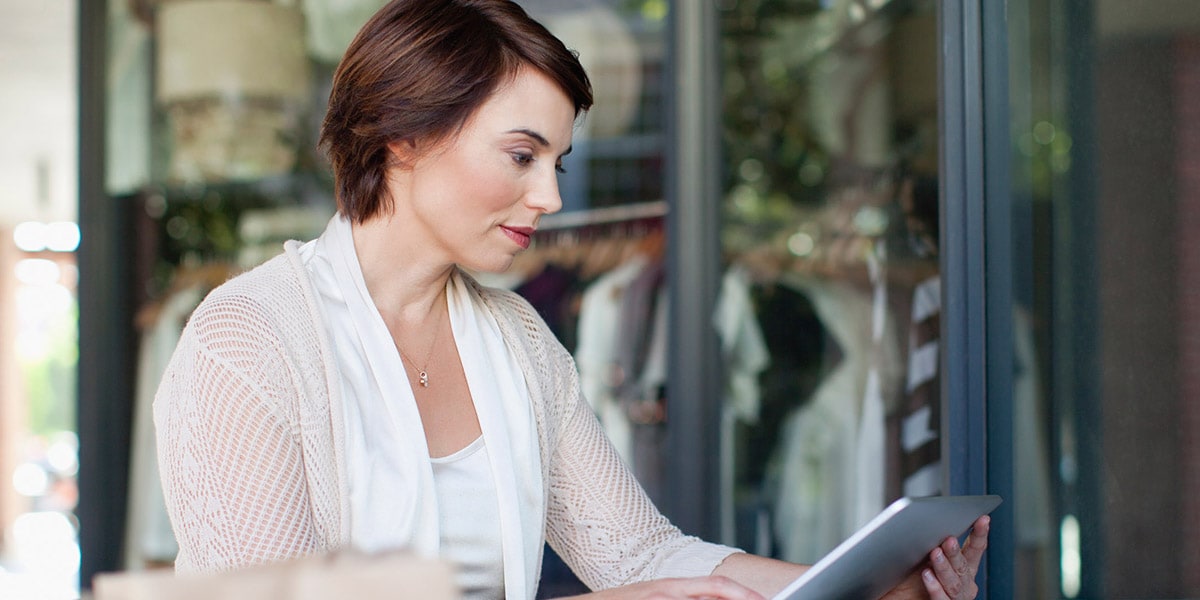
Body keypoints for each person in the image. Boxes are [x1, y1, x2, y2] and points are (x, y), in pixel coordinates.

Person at [152, 1, 990, 598]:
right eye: (522, 155)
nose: (550, 196)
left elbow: (641, 553)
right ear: (401, 136)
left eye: (557, 162)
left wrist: (865, 588)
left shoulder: (515, 338)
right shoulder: (247, 341)